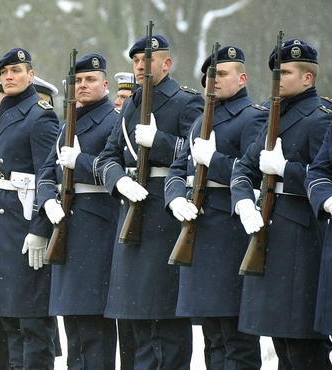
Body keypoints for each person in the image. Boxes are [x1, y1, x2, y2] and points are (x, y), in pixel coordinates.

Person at [95, 34, 203, 369]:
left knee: (166, 321)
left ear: (166, 64)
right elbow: (107, 157)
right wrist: (120, 181)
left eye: (148, 61)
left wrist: (159, 142)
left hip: (165, 213)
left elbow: (196, 156)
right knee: (137, 320)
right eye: (137, 62)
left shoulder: (187, 102)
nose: (141, 67)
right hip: (132, 209)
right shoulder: (130, 104)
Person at [163, 46, 265, 370]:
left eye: (222, 74)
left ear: (242, 78)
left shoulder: (254, 117)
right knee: (212, 338)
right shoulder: (199, 121)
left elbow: (255, 174)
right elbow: (177, 169)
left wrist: (214, 161)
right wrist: (175, 196)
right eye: (210, 75)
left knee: (236, 338)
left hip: (229, 236)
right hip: (199, 235)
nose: (214, 81)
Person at [234, 38, 332, 369]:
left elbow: (324, 178)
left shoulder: (321, 118)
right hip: (272, 234)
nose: (277, 78)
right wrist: (243, 203)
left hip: (303, 241)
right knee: (282, 341)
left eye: (286, 72)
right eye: (275, 72)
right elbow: (244, 168)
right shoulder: (272, 115)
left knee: (304, 345)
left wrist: (285, 170)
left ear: (307, 78)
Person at [0, 48, 59, 370]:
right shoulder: (4, 108)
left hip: (24, 221)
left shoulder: (40, 114)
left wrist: (40, 230)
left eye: (15, 71)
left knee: (32, 320)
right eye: (3, 73)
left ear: (31, 75)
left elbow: (50, 175)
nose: (8, 77)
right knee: (9, 318)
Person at [37, 53, 120, 370]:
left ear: (105, 84)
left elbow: (117, 171)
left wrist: (81, 164)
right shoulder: (67, 123)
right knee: (73, 327)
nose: (83, 86)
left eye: (90, 80)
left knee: (93, 329)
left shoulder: (112, 121)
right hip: (67, 227)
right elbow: (46, 172)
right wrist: (47, 201)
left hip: (95, 230)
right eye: (78, 81)